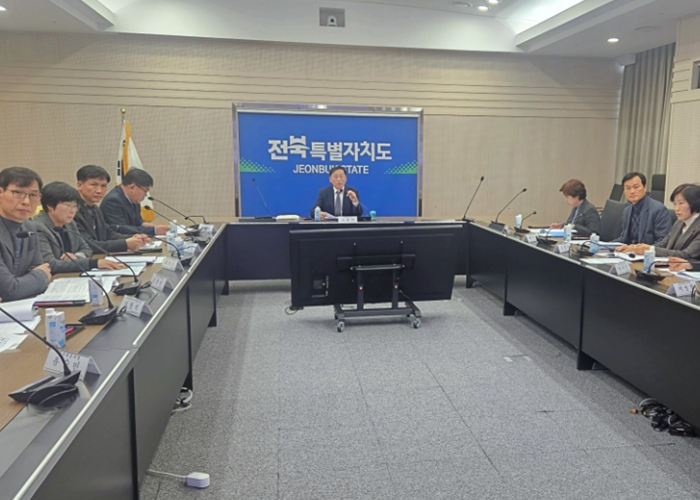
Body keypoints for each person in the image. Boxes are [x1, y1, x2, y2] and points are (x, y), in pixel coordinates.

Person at [34, 182, 123, 274]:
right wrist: (93, 263)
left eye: (75, 206)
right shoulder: (39, 228)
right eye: (68, 205)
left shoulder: (70, 224)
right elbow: (50, 264)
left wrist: (76, 257)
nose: (73, 211)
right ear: (50, 206)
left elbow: (87, 249)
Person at [0, 167, 51, 301]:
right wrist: (41, 276)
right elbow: (9, 290)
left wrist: (30, 280)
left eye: (33, 195)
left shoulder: (29, 226)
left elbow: (38, 266)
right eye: (17, 193)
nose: (26, 202)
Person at [74, 165, 149, 253]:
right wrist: (124, 244)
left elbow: (107, 233)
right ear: (79, 185)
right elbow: (88, 245)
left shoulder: (95, 209)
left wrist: (133, 238)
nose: (99, 191)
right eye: (94, 185)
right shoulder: (72, 210)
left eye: (103, 186)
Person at [616, 183, 700, 259]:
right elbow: (663, 244)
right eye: (675, 204)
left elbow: (687, 254)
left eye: (681, 203)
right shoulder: (680, 222)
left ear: (694, 203)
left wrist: (649, 249)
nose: (676, 208)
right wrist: (635, 248)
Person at [101, 169, 169, 235]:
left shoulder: (133, 198)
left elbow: (137, 221)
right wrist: (154, 231)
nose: (145, 195)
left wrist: (147, 225)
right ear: (132, 188)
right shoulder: (113, 201)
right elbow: (121, 229)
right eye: (145, 191)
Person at [613, 172, 673, 245]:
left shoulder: (658, 210)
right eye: (628, 188)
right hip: (629, 250)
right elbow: (624, 238)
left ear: (645, 188)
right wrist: (605, 245)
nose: (632, 191)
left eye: (636, 187)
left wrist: (639, 249)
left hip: (648, 251)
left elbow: (663, 242)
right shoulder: (627, 211)